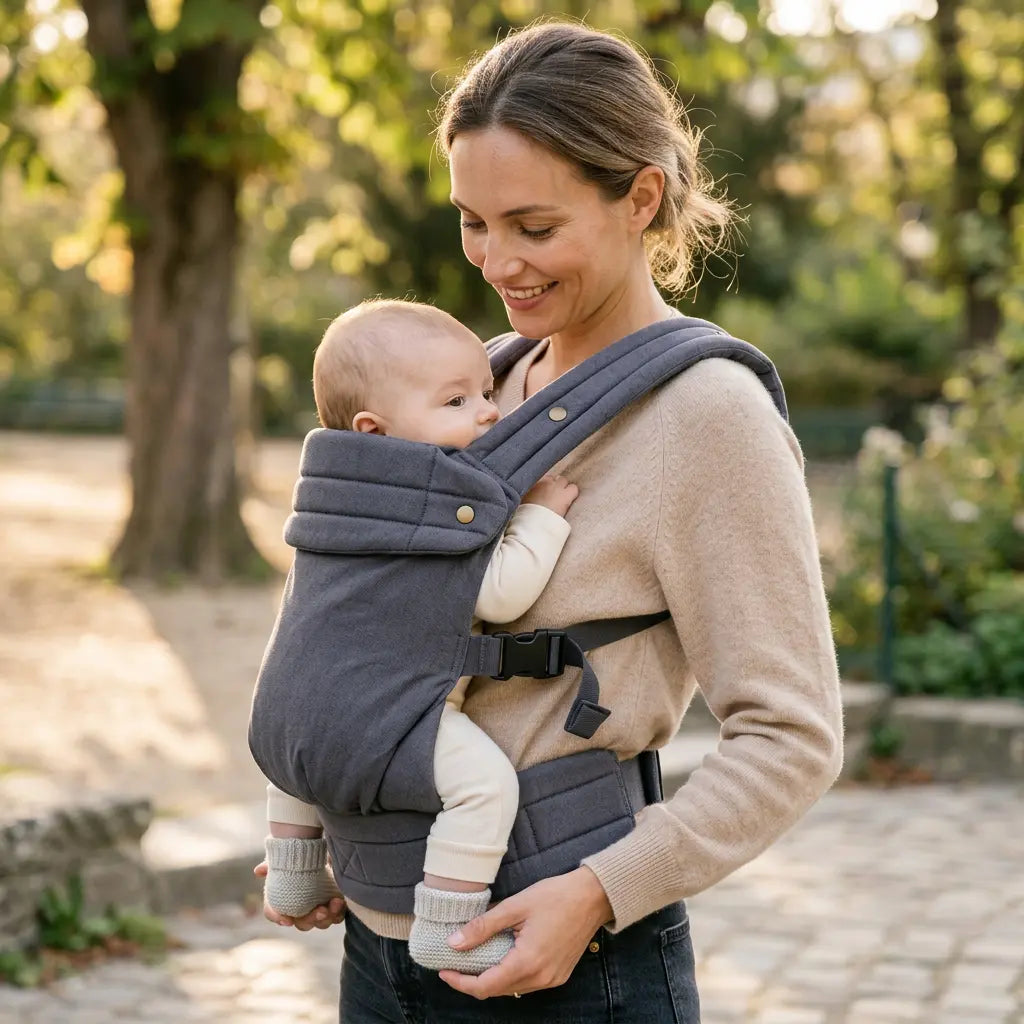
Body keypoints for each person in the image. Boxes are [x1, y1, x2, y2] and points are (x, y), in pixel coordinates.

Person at [256, 20, 843, 1022]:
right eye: (472, 221)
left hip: (572, 961)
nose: (496, 260)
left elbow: (791, 734)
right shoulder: (471, 386)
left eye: (532, 226)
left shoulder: (708, 417)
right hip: (383, 939)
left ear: (639, 199)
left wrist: (598, 895)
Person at [260, 298, 580, 974]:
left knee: (298, 759)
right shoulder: (424, 511)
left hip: (290, 707)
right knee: (486, 787)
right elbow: (500, 591)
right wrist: (541, 518)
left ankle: (290, 878)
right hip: (387, 712)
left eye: (487, 391)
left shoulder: (329, 499)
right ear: (376, 432)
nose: (490, 412)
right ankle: (448, 923)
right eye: (457, 401)